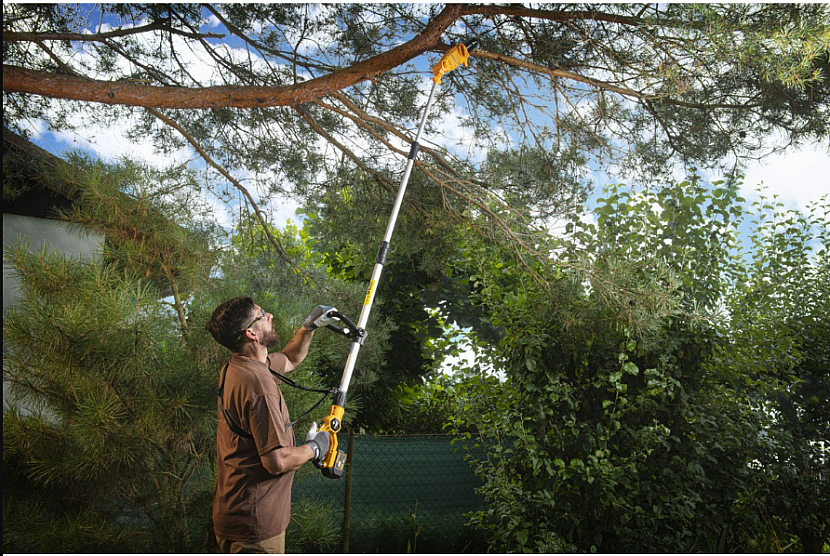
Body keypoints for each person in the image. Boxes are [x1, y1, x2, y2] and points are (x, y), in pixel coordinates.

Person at [205, 296, 335, 554]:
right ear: (251, 333)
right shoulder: (258, 385)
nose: (270, 315)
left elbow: (289, 359)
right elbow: (276, 461)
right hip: (255, 526)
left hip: (235, 513)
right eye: (262, 314)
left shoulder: (240, 366)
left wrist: (308, 327)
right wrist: (315, 447)